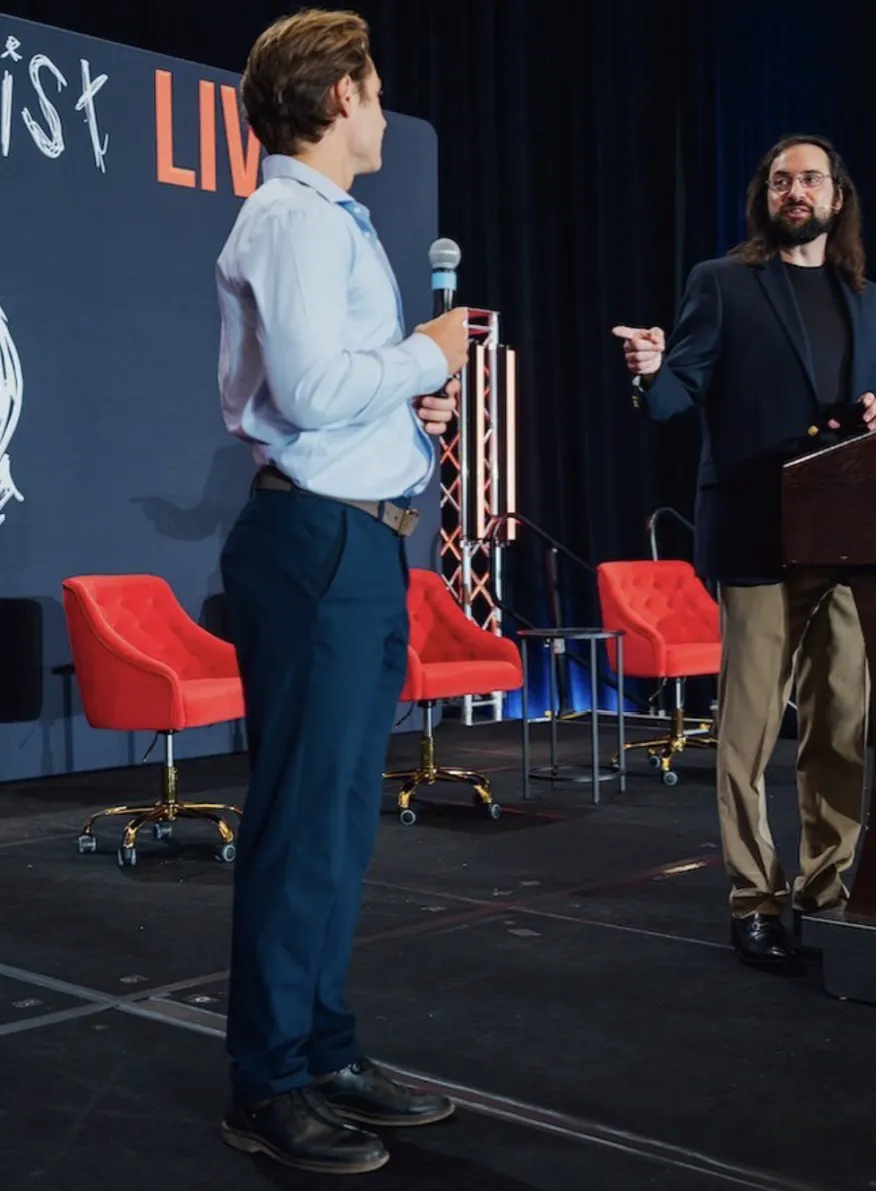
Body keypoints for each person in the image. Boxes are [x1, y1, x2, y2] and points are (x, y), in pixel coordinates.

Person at [214, 9, 469, 1174]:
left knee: (335, 827)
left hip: (352, 543)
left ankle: (320, 1048)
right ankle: (267, 1083)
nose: (380, 107)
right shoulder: (294, 218)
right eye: (371, 89)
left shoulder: (320, 220)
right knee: (299, 828)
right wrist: (428, 357)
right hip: (319, 544)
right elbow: (315, 390)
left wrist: (401, 400)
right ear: (336, 101)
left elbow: (327, 388)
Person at [614, 134, 876, 971]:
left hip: (843, 538)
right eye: (781, 180)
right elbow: (678, 394)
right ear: (765, 197)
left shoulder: (870, 298)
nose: (795, 190)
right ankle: (755, 898)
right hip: (755, 533)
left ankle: (827, 886)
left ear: (837, 195)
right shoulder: (724, 283)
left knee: (841, 726)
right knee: (746, 737)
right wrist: (650, 370)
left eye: (810, 178)